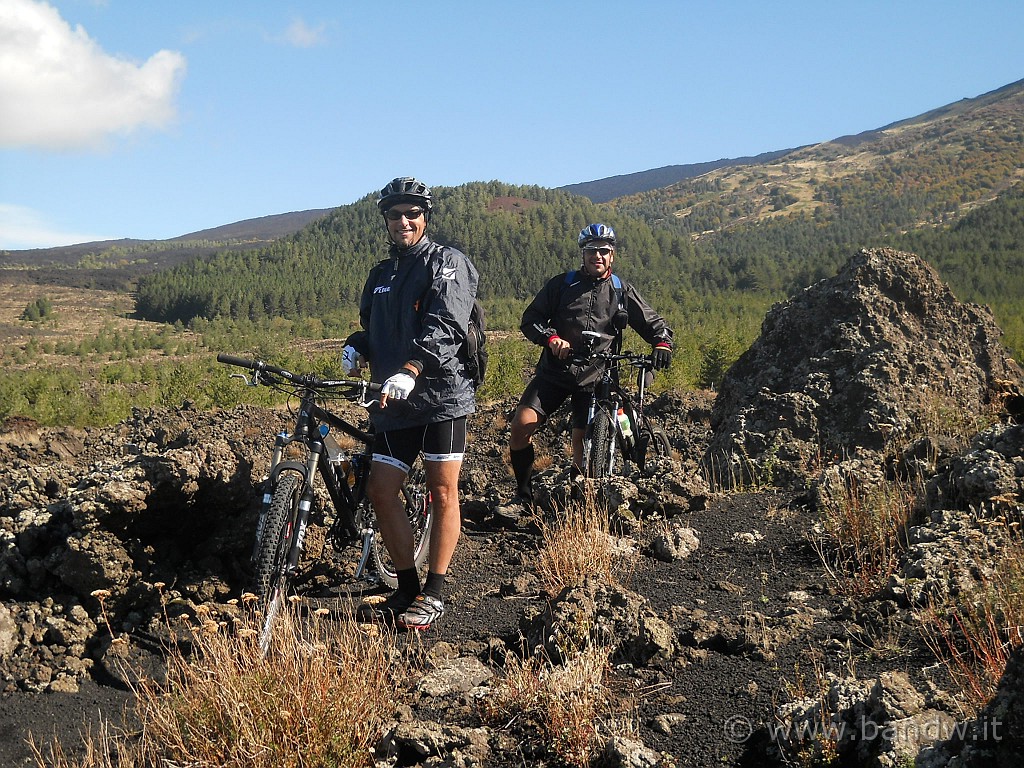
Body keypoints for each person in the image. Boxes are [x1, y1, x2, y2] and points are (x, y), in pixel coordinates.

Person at [342, 177, 479, 631]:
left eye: (412, 214)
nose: (404, 221)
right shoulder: (381, 275)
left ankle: (435, 592)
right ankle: (405, 587)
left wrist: (413, 367)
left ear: (424, 218)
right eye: (395, 214)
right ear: (385, 220)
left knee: (442, 492)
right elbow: (375, 327)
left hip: (441, 395)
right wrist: (357, 345)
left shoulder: (447, 263)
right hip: (393, 399)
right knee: (382, 490)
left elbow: (445, 321)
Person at [508, 223, 673, 504]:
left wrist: (662, 343)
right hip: (556, 371)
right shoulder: (562, 285)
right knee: (520, 427)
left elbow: (654, 324)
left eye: (604, 251)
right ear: (582, 254)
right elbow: (530, 320)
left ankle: (580, 501)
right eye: (592, 251)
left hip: (598, 376)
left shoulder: (621, 291)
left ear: (613, 255)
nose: (598, 256)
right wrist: (551, 339)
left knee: (583, 447)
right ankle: (523, 497)